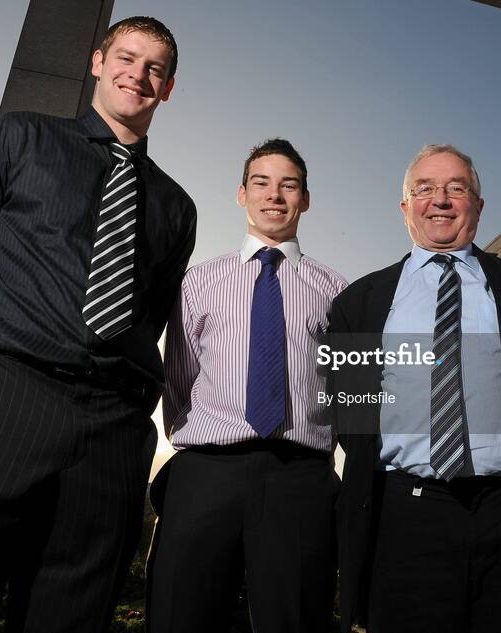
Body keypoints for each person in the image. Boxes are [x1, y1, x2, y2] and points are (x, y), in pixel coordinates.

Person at [0, 16, 195, 633]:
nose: (138, 74)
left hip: (110, 429)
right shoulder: (19, 137)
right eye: (126, 58)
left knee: (71, 614)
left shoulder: (177, 206)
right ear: (97, 62)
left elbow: (148, 314)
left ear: (169, 87)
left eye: (155, 68)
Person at [327, 144, 501, 633]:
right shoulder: (359, 302)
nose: (440, 200)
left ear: (478, 206)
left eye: (455, 188)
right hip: (403, 521)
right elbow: (348, 411)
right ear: (405, 207)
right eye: (424, 188)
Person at [147, 138, 346, 633]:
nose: (273, 195)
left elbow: (345, 389)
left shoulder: (336, 290)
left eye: (288, 185)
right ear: (242, 194)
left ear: (305, 199)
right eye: (261, 183)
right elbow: (179, 378)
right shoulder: (199, 281)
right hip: (205, 473)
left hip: (299, 478)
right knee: (179, 617)